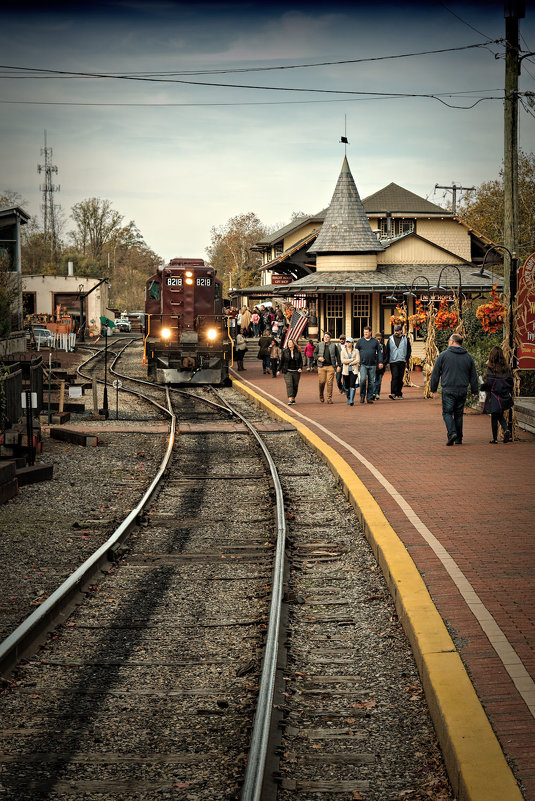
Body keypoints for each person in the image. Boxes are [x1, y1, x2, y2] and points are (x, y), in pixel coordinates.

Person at [430, 333, 478, 446]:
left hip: (448, 388)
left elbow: (435, 373)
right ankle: (459, 438)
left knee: (447, 412)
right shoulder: (468, 357)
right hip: (462, 389)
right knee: (459, 414)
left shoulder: (443, 355)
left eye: (449, 341)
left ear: (452, 342)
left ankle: (452, 433)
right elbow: (473, 375)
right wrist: (475, 390)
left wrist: (433, 389)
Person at [481, 346, 514, 443]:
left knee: (495, 415)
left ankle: (495, 438)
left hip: (494, 395)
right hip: (504, 395)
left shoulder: (491, 368)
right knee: (498, 414)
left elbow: (490, 383)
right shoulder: (507, 368)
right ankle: (506, 429)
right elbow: (510, 382)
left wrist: (483, 386)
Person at [355, 327, 383, 404]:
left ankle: (369, 397)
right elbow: (356, 352)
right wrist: (357, 361)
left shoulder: (375, 341)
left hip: (373, 365)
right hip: (363, 364)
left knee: (371, 382)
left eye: (367, 332)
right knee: (363, 380)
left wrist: (380, 362)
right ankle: (362, 396)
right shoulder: (360, 341)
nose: (365, 334)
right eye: (364, 332)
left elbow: (379, 352)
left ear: (370, 332)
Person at [314, 332, 341, 404]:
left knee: (329, 382)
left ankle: (329, 398)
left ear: (330, 338)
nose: (326, 338)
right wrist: (318, 358)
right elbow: (314, 353)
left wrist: (339, 365)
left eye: (327, 337)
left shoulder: (333, 346)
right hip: (321, 366)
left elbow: (338, 355)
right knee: (322, 382)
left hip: (330, 366)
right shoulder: (319, 345)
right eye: (325, 337)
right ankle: (321, 394)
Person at [386, 324, 411, 400]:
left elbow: (409, 350)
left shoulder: (405, 339)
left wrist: (406, 358)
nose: (396, 332)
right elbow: (387, 350)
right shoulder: (390, 339)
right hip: (393, 361)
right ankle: (393, 393)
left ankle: (399, 393)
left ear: (401, 331)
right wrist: (387, 361)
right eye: (395, 331)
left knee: (400, 378)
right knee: (395, 376)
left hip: (402, 360)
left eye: (397, 330)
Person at [278, 338, 303, 404]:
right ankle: (290, 398)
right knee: (289, 384)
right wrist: (278, 370)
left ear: (294, 344)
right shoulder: (285, 352)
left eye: (290, 343)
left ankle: (293, 398)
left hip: (296, 371)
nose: (289, 344)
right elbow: (282, 361)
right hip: (287, 371)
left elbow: (301, 361)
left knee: (295, 385)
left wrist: (300, 368)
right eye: (288, 343)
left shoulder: (298, 352)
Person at [340, 337, 360, 405]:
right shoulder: (343, 351)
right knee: (347, 385)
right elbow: (342, 360)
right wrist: (351, 360)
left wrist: (350, 363)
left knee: (352, 384)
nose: (348, 343)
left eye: (349, 342)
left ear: (352, 343)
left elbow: (357, 360)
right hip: (346, 371)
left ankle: (351, 400)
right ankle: (348, 397)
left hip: (354, 370)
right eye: (347, 342)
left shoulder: (356, 351)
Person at [374, 332, 387, 400]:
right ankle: (373, 393)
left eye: (379, 339)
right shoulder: (373, 346)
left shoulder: (383, 346)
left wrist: (383, 363)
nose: (378, 340)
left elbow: (385, 356)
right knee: (374, 381)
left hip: (381, 367)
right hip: (374, 367)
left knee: (379, 382)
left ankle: (377, 393)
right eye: (377, 339)